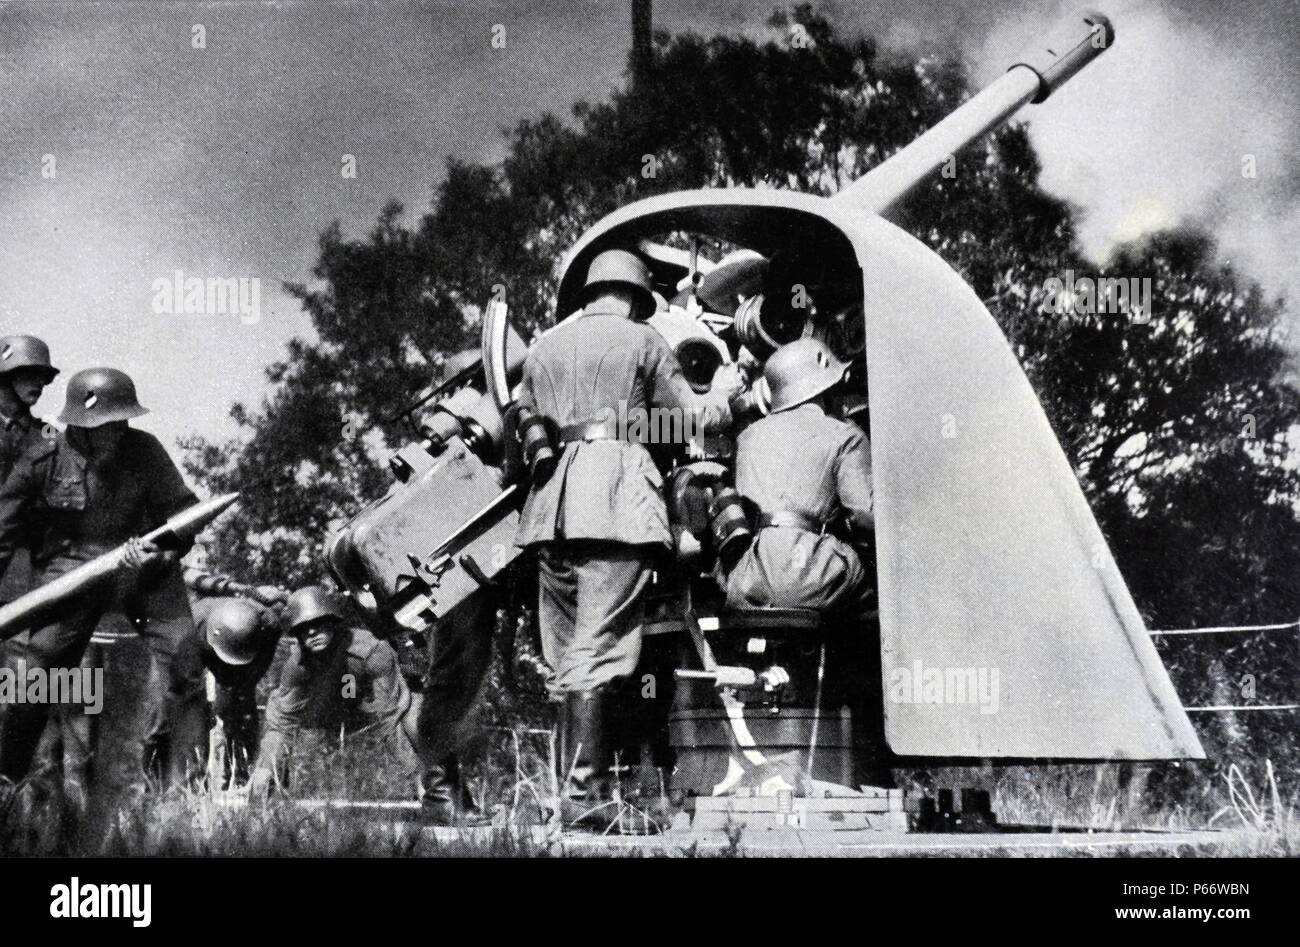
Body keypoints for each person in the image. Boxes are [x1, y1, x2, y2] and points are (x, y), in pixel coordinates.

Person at [514, 247, 739, 823]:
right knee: (602, 647)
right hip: (615, 506)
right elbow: (687, 421)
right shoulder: (642, 341)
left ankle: (567, 793)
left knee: (567, 653)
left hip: (551, 512)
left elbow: (532, 423)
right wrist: (727, 392)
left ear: (589, 294)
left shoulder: (543, 348)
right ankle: (583, 799)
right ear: (637, 296)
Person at [0, 368, 208, 789]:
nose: (118, 432)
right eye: (106, 424)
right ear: (80, 423)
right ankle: (7, 780)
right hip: (74, 569)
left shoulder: (146, 451)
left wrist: (162, 551)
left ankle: (187, 793)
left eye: (122, 420)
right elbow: (3, 530)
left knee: (186, 664)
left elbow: (184, 515)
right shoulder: (43, 454)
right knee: (37, 673)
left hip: (143, 568)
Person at [249, 586, 478, 821]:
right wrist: (265, 772)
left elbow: (389, 716)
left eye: (319, 625)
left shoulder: (372, 650)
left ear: (334, 623)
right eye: (304, 630)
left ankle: (444, 798)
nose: (312, 634)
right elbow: (282, 723)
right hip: (325, 707)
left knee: (416, 713)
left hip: (366, 704)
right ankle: (264, 799)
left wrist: (415, 774)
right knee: (276, 732)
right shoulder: (297, 666)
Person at [724, 338, 875, 616]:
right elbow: (866, 517)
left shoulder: (747, 437)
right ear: (825, 389)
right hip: (811, 574)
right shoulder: (845, 435)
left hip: (750, 578)